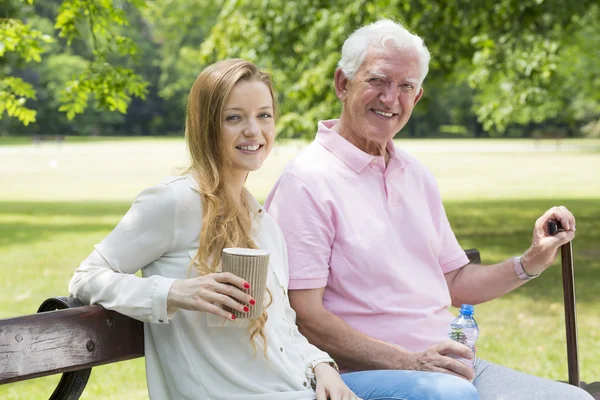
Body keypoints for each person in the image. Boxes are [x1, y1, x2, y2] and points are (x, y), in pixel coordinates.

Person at [264, 19, 593, 400]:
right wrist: (410, 361)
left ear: (416, 98)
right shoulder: (306, 181)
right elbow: (306, 317)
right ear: (343, 83)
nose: (391, 98)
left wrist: (532, 260)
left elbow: (455, 283)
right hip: (357, 376)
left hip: (447, 367)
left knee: (574, 399)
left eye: (406, 87)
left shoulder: (415, 174)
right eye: (378, 81)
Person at [69, 59, 361, 400]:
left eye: (264, 115)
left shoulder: (265, 224)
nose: (254, 130)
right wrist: (174, 292)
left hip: (295, 388)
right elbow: (86, 277)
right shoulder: (176, 201)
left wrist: (321, 366)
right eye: (234, 117)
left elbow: (283, 328)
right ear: (206, 126)